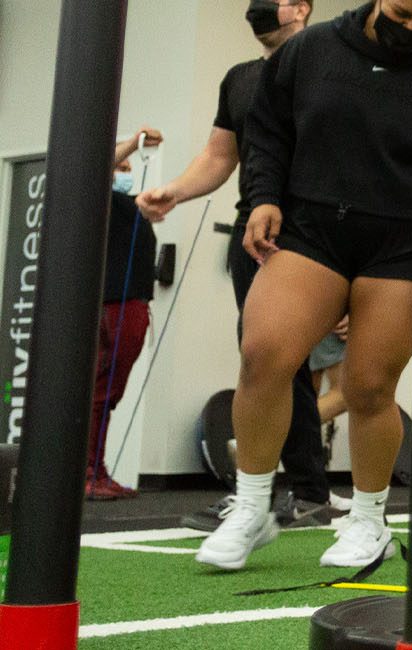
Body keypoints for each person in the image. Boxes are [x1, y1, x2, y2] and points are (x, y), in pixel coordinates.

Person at [192, 0, 412, 571]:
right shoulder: (310, 50)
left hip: (405, 239)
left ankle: (368, 521)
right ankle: (253, 507)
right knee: (263, 356)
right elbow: (266, 131)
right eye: (404, 15)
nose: (411, 31)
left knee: (366, 386)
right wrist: (262, 196)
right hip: (314, 227)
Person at [139, 0, 344, 531]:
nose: (256, 8)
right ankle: (294, 493)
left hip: (319, 234)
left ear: (300, 7)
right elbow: (218, 156)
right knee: (267, 361)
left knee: (310, 370)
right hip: (256, 232)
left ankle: (309, 493)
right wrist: (173, 192)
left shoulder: (332, 61)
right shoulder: (240, 79)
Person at [85, 127, 165, 501]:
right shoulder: (100, 201)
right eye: (123, 167)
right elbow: (96, 166)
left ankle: (95, 470)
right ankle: (88, 473)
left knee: (108, 392)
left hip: (131, 305)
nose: (125, 171)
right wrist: (135, 141)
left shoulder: (135, 205)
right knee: (101, 392)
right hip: (116, 306)